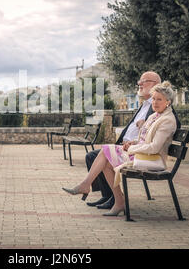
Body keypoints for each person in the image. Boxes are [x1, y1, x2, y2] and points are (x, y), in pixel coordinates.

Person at [62, 81, 178, 216]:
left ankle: (89, 186)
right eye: (153, 99)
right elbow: (145, 139)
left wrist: (131, 149)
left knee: (106, 152)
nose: (155, 102)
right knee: (106, 159)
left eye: (159, 99)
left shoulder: (167, 120)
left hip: (152, 159)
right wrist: (133, 142)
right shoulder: (155, 116)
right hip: (142, 154)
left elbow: (154, 147)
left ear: (168, 102)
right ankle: (116, 200)